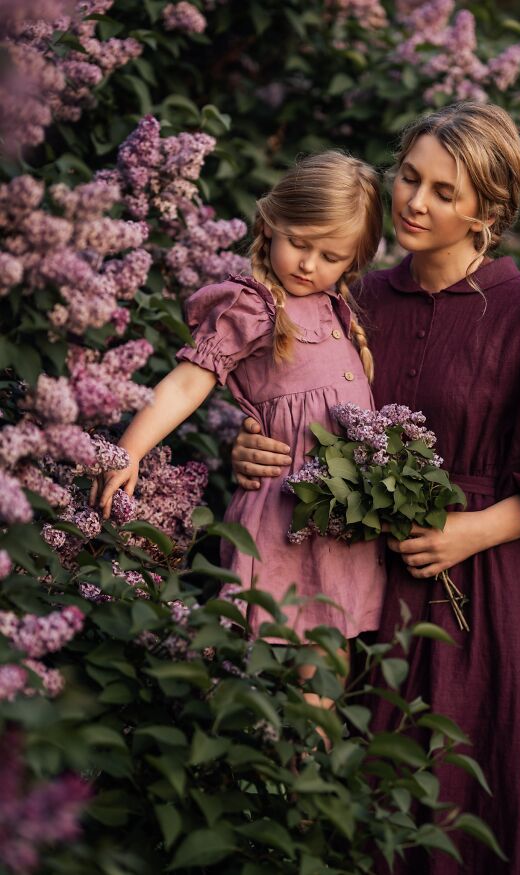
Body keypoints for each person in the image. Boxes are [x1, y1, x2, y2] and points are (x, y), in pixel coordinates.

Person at [231, 103, 520, 874]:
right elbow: (295, 406)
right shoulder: (355, 298)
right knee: (356, 804)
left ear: (488, 210)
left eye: (445, 192)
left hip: (490, 599)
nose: (414, 202)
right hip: (361, 587)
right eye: (410, 177)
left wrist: (470, 530)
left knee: (463, 805)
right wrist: (254, 446)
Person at [91, 150, 387, 646]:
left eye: (331, 257)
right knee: (270, 646)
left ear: (354, 260)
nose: (309, 264)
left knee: (331, 652)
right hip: (284, 515)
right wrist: (131, 450)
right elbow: (187, 383)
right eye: (298, 243)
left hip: (340, 521)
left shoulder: (337, 310)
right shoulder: (253, 307)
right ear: (270, 225)